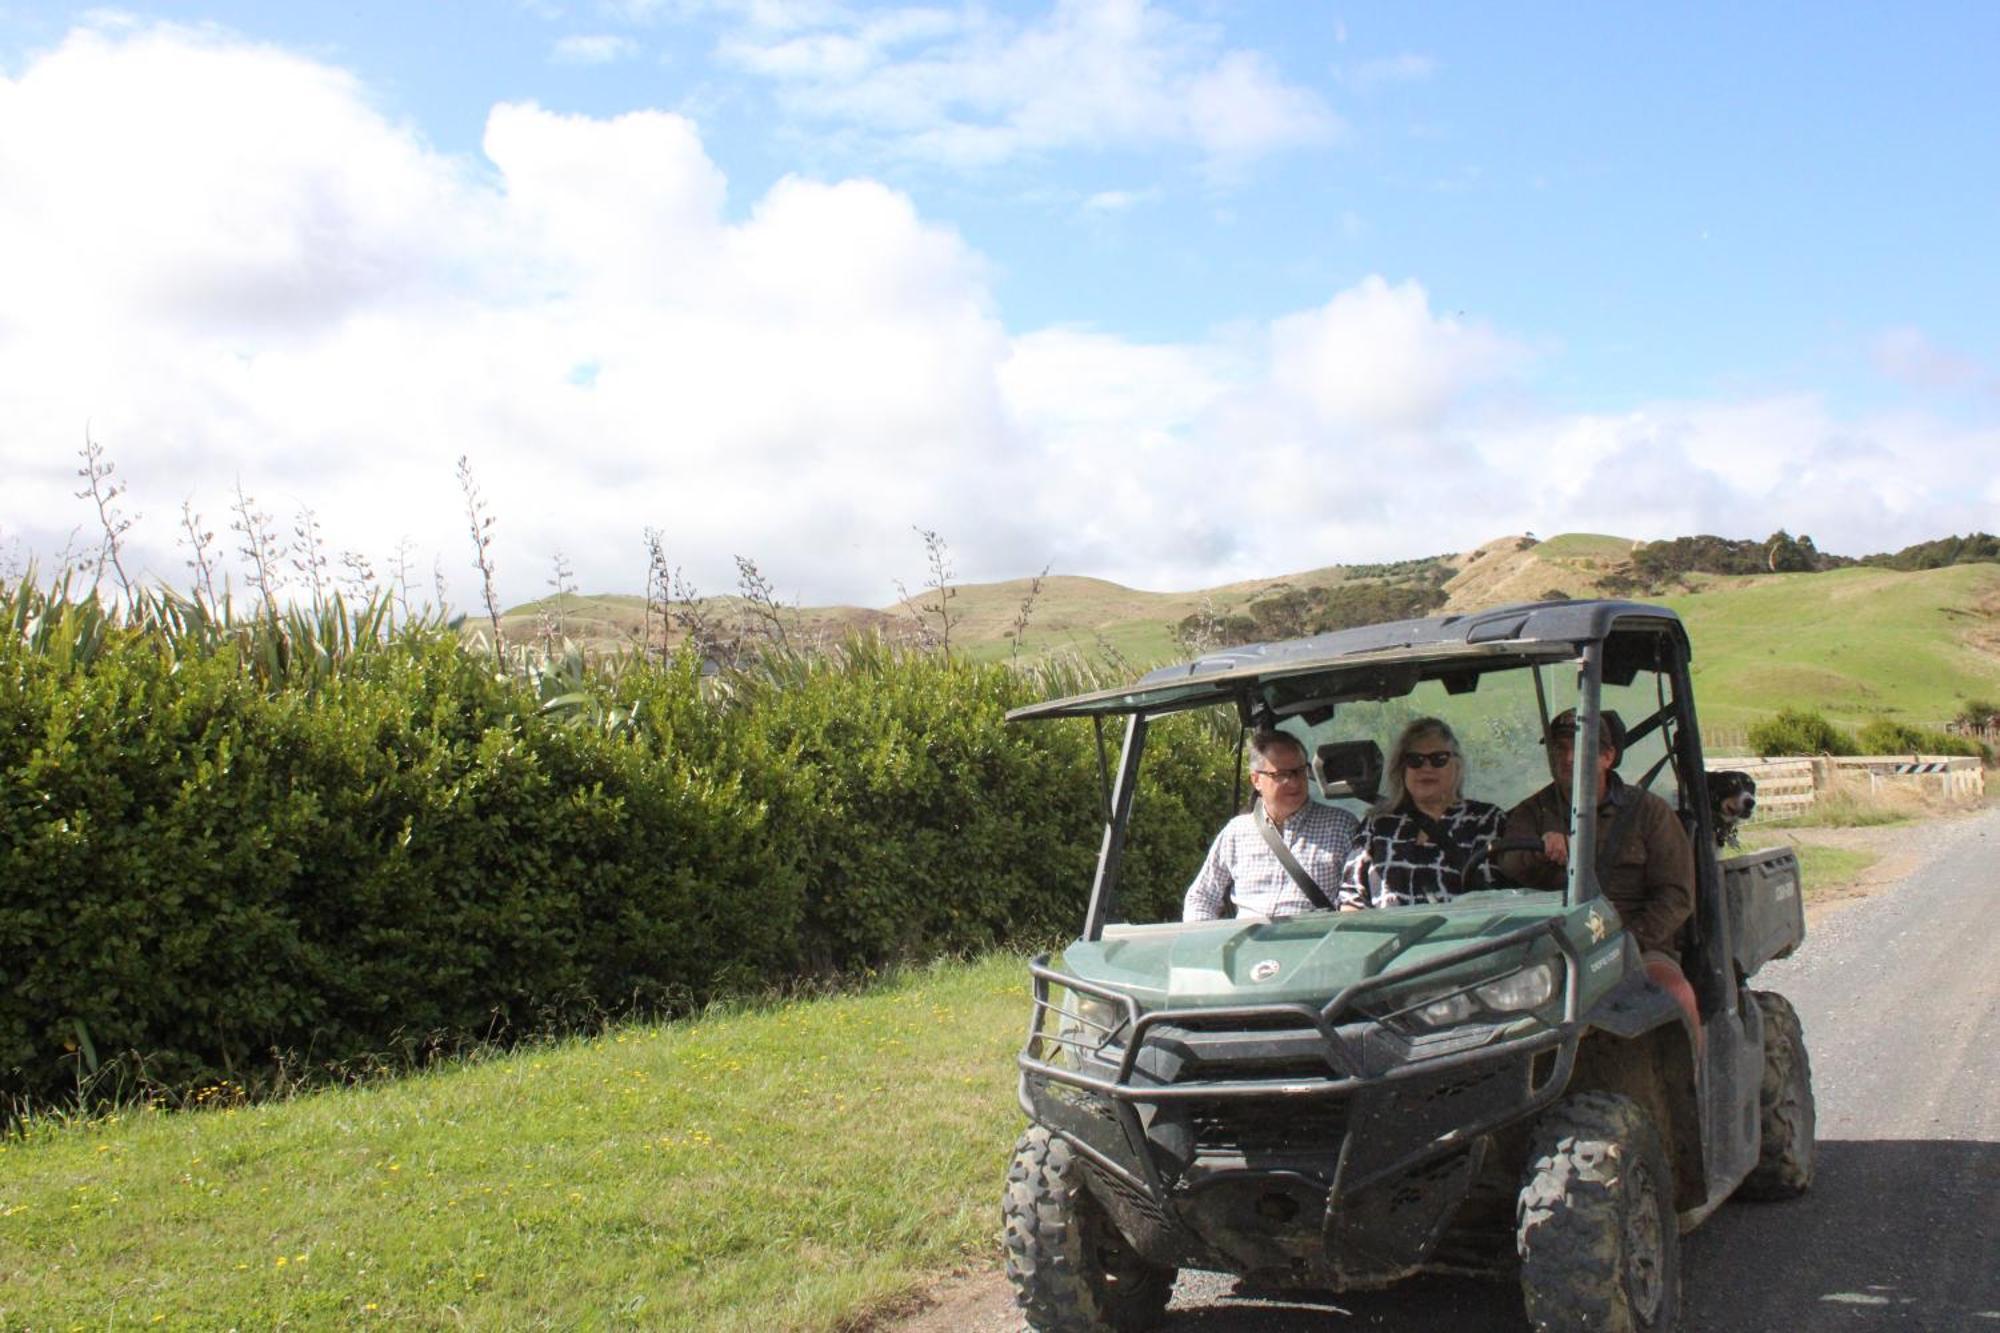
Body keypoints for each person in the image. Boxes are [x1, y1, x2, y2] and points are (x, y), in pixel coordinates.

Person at [1499, 708, 1700, 1031]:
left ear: (1608, 757)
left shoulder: (1649, 813)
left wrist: (1626, 944)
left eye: (1578, 749)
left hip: (1637, 949)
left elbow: (1676, 896)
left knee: (1676, 992)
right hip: (1551, 955)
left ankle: (1695, 1078)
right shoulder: (1533, 812)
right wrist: (1543, 850)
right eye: (1558, 750)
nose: (1566, 759)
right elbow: (1508, 863)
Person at [1183, 730, 1359, 921]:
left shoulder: (1342, 826)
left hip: (1313, 943)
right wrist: (1209, 946)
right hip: (1250, 945)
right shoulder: (1236, 832)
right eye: (1281, 774)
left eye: (1299, 772)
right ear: (1257, 780)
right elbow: (1201, 897)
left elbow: (1359, 901)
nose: (1293, 782)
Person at [1338, 717, 1508, 909]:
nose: (1426, 768)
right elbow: (1351, 901)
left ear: (1457, 765)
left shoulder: (1487, 819)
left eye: (1438, 759)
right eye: (1415, 760)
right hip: (1391, 937)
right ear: (1402, 768)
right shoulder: (1377, 824)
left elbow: (1497, 899)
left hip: (1474, 937)